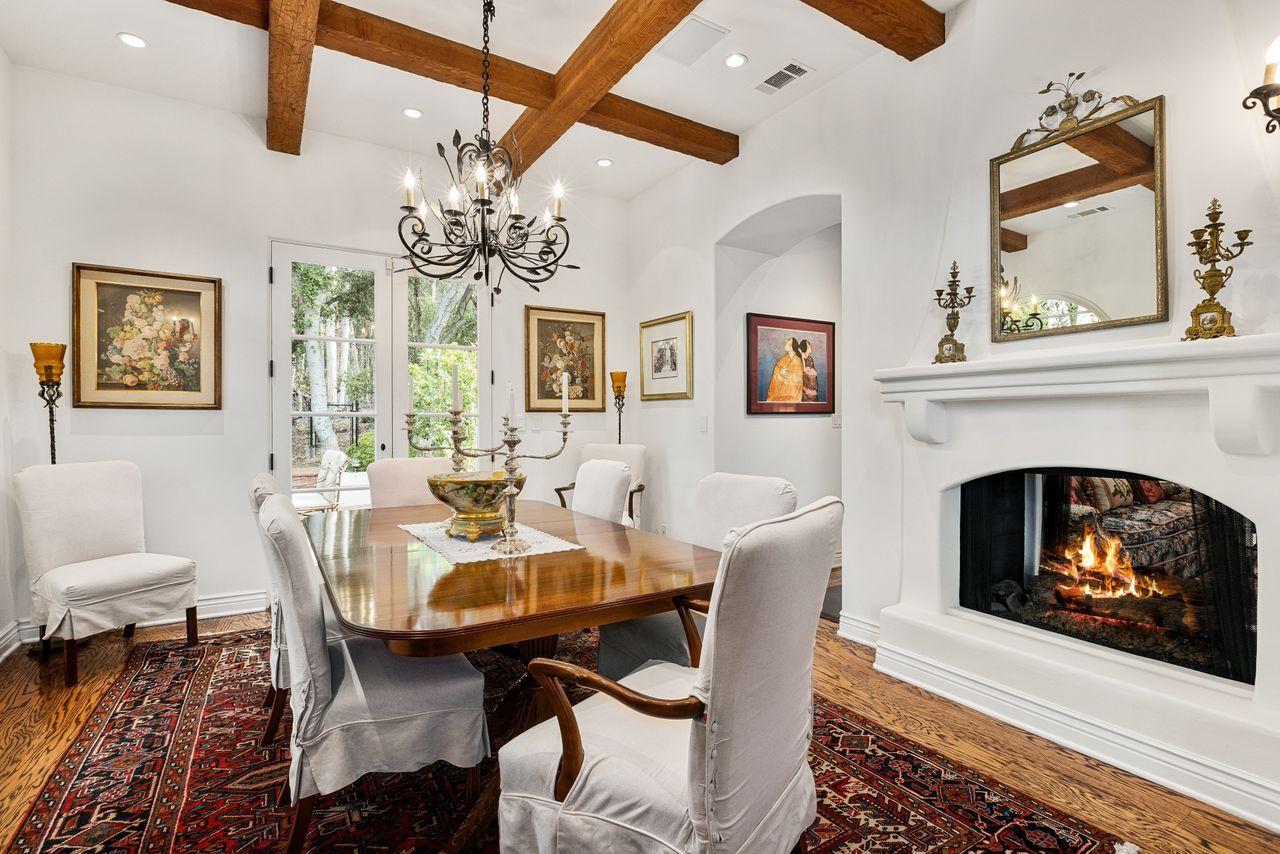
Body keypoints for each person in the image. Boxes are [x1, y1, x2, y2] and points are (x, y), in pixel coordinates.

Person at [765, 337, 804, 402]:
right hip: (780, 394)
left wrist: (789, 375)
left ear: (792, 346)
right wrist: (780, 372)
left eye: (788, 342)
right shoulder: (782, 360)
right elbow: (776, 371)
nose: (785, 343)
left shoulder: (798, 360)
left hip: (793, 395)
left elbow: (799, 378)